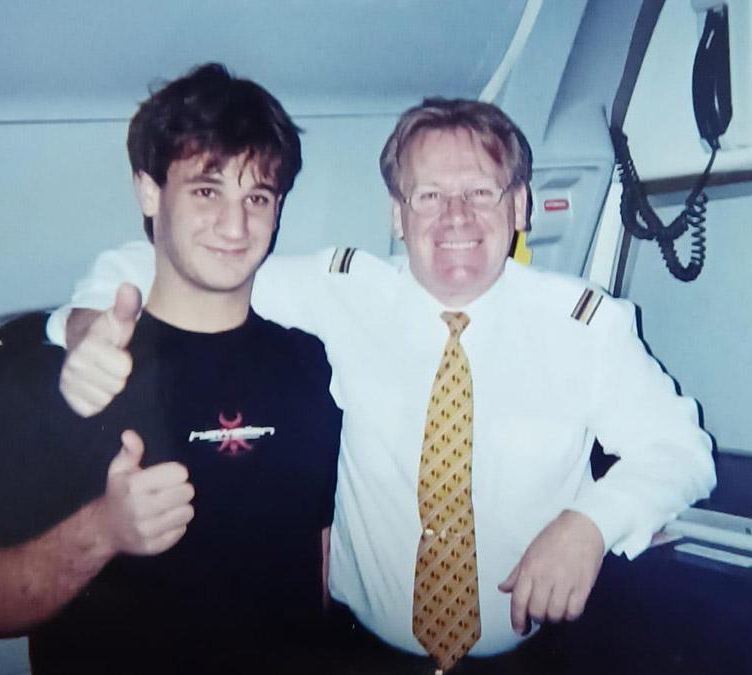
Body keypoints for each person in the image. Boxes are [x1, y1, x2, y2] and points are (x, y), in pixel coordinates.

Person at [52, 98, 716, 673]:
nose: (456, 218)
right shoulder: (344, 292)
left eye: (481, 192)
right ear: (398, 215)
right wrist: (83, 324)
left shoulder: (585, 325)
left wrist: (590, 524)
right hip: (356, 654)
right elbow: (170, 259)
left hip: (527, 660)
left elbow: (683, 453)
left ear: (519, 205)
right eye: (428, 196)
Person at [0, 63, 341, 674]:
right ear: (150, 192)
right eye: (207, 190)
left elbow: (320, 553)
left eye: (257, 197)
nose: (237, 226)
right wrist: (103, 532)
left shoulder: (309, 363)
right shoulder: (57, 379)